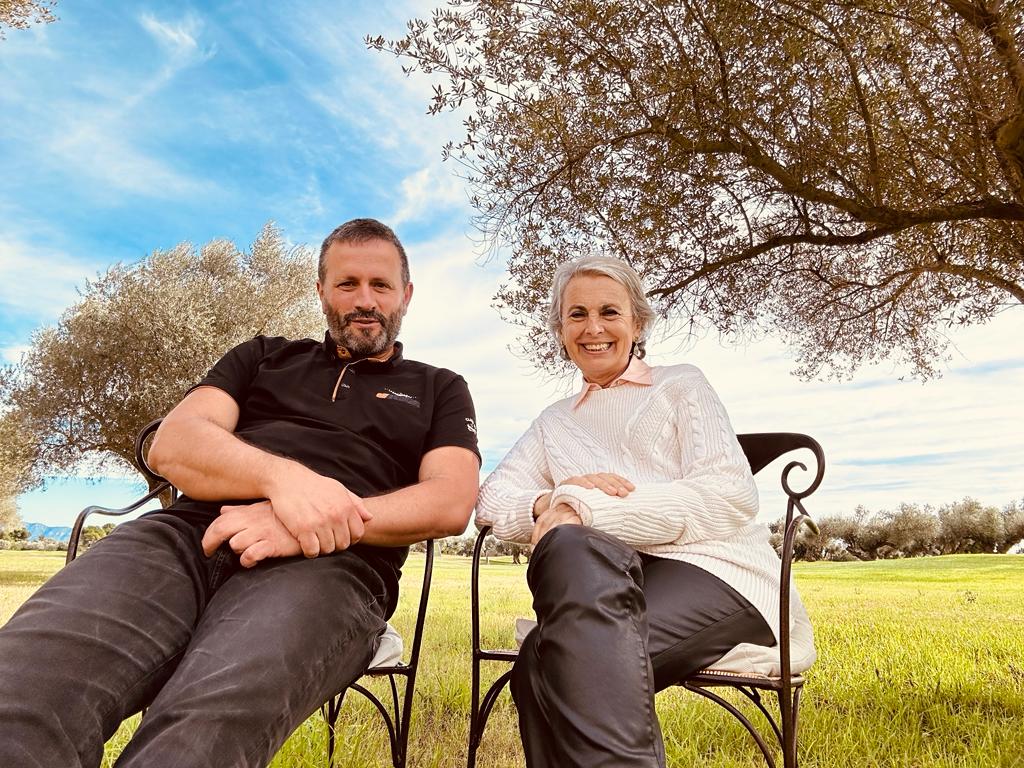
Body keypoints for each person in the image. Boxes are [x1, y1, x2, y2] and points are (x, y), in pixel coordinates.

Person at [0, 218, 481, 768]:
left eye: (381, 285)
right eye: (347, 284)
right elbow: (174, 445)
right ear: (321, 291)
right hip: (184, 538)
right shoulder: (262, 357)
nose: (364, 300)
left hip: (333, 564)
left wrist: (305, 521)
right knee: (23, 686)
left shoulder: (439, 387)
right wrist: (286, 482)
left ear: (406, 295)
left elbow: (450, 501)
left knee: (201, 733)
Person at [475, 255, 814, 768]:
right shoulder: (553, 423)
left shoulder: (681, 385)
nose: (593, 328)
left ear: (637, 324)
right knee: (558, 594)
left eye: (609, 312)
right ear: (560, 330)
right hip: (606, 584)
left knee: (549, 663)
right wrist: (548, 502)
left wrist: (585, 507)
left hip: (722, 573)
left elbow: (730, 494)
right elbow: (490, 499)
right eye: (576, 314)